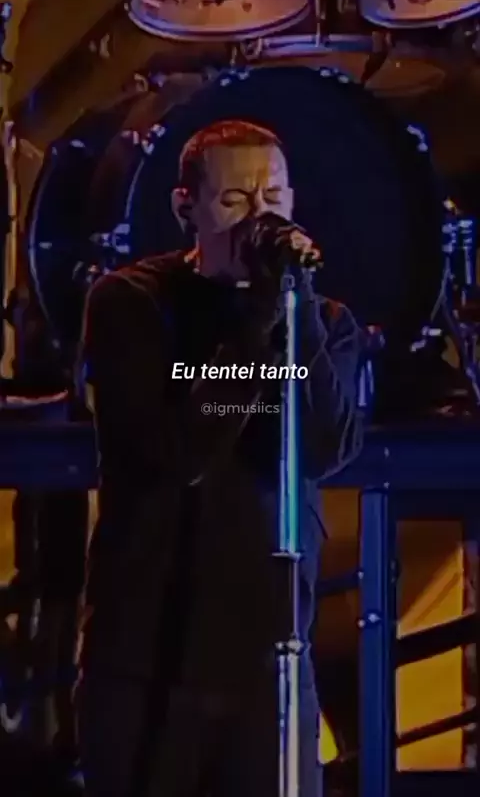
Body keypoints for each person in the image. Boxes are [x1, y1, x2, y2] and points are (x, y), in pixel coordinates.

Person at [76, 119, 363, 797]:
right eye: (236, 200)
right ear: (187, 207)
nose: (260, 217)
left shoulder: (321, 318)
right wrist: (254, 323)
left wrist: (296, 312)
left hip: (269, 661)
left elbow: (327, 448)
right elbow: (182, 451)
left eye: (275, 198)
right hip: (147, 663)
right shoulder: (133, 303)